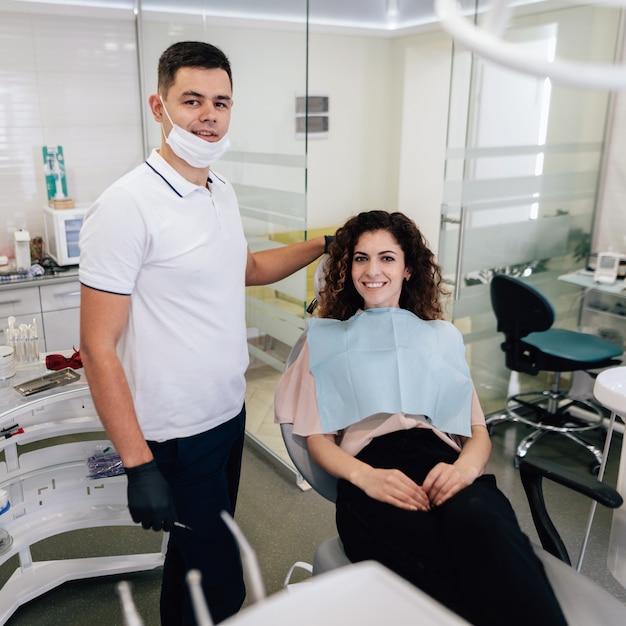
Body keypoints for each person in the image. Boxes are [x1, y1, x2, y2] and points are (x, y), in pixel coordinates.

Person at [79, 41, 326, 625]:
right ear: (157, 106)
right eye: (192, 100)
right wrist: (138, 465)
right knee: (218, 577)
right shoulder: (127, 206)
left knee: (193, 560)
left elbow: (246, 270)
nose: (209, 115)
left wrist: (325, 244)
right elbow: (96, 347)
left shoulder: (220, 190)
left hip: (225, 414)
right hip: (175, 433)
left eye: (221, 102)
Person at [275, 210, 567, 626]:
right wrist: (366, 477)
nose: (372, 270)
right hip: (371, 471)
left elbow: (478, 433)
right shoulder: (325, 339)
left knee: (487, 526)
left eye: (387, 258)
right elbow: (319, 441)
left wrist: (464, 469)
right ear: (347, 266)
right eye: (361, 258)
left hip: (441, 462)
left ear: (409, 268)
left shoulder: (439, 337)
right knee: (443, 561)